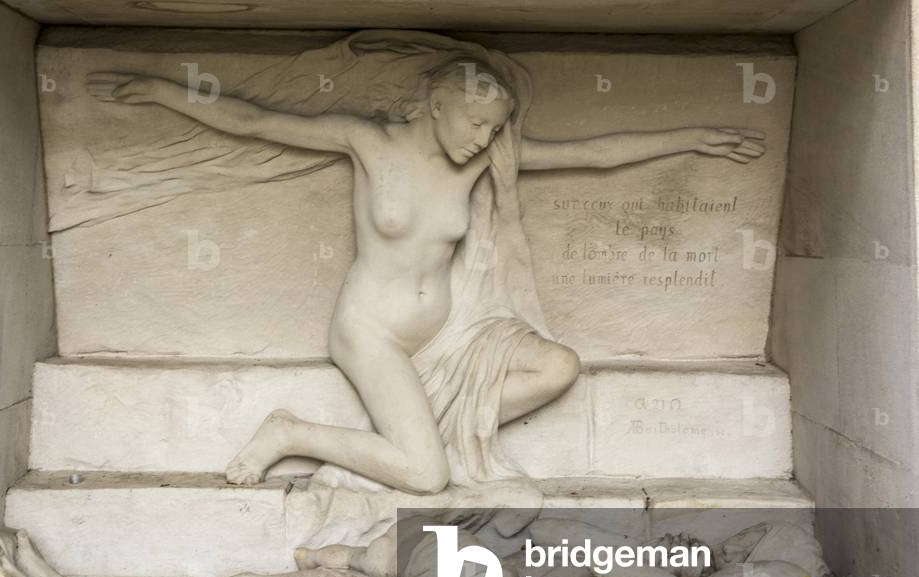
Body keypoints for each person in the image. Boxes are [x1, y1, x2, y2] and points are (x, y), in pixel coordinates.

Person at [88, 43, 764, 495]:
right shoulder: (367, 141)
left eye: (493, 128)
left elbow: (593, 153)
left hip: (454, 332)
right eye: (474, 122)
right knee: (424, 476)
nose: (483, 138)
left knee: (560, 366)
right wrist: (163, 90)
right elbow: (255, 121)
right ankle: (292, 432)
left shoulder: (480, 162)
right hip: (372, 333)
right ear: (438, 104)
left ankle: (437, 424)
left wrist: (692, 137)